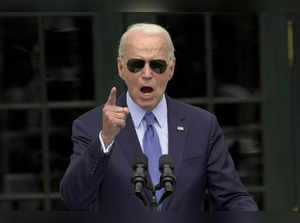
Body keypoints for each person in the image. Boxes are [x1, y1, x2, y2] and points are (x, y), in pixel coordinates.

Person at [60, 23, 258, 213]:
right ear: (121, 68)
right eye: (136, 65)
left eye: (157, 65)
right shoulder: (90, 126)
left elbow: (232, 198)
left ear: (170, 70)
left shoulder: (202, 125)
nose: (147, 74)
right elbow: (74, 198)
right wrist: (105, 140)